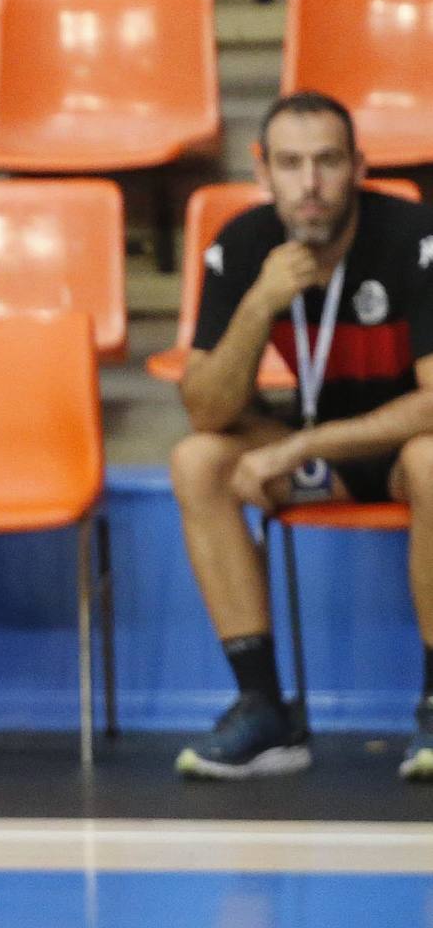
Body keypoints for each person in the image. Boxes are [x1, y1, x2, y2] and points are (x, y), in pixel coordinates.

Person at [172, 91, 433, 781]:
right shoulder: (244, 243)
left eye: (327, 162)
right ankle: (263, 710)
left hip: (399, 448)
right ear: (263, 171)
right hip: (320, 446)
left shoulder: (414, 239)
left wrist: (304, 447)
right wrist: (259, 303)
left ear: (359, 167)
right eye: (290, 164)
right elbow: (205, 409)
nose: (309, 184)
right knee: (198, 460)